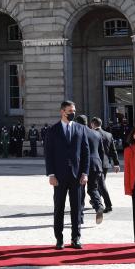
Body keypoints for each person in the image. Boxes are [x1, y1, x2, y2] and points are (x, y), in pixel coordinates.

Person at [44, 100, 89, 250]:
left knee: (77, 209)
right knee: (59, 208)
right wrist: (51, 174)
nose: (73, 113)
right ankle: (59, 239)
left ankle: (76, 238)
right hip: (59, 176)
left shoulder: (81, 128)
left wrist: (85, 173)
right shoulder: (52, 130)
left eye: (74, 111)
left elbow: (86, 153)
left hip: (77, 176)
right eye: (70, 111)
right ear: (62, 112)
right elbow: (48, 154)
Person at [76, 115, 105, 224]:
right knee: (93, 188)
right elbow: (101, 151)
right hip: (96, 164)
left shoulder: (78, 133)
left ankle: (80, 217)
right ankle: (98, 206)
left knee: (80, 191)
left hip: (83, 165)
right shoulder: (96, 133)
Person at [90, 117, 120, 213]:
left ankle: (107, 205)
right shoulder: (108, 134)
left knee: (100, 185)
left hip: (96, 163)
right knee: (99, 183)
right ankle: (95, 200)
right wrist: (116, 163)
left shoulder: (92, 134)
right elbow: (113, 151)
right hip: (106, 163)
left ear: (93, 124)